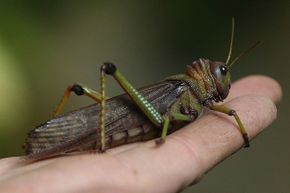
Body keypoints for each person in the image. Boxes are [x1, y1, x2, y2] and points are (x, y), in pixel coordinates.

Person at [0, 75, 282, 193]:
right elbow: (228, 114)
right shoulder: (184, 90)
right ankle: (52, 136)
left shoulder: (197, 98)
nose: (226, 81)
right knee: (98, 80)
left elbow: (229, 113)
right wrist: (165, 127)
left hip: (148, 119)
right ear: (209, 78)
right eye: (223, 73)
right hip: (144, 119)